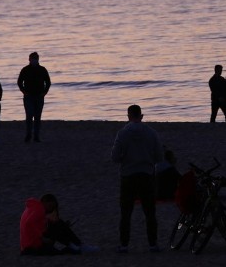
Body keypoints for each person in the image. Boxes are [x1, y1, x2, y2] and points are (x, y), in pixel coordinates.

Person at [110, 104, 164, 253]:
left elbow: (114, 157)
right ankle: (152, 244)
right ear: (141, 116)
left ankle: (124, 245)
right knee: (150, 212)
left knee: (126, 212)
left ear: (128, 116)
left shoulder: (122, 133)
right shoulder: (151, 133)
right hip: (146, 174)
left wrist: (126, 158)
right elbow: (160, 156)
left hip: (128, 175)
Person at [19, 193, 97, 255]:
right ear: (44, 202)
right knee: (58, 224)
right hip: (33, 246)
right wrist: (42, 237)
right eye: (50, 206)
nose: (50, 209)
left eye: (52, 207)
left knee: (58, 224)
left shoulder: (34, 207)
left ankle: (75, 245)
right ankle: (78, 246)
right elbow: (28, 223)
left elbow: (36, 224)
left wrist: (63, 227)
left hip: (28, 245)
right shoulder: (39, 209)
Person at [17, 52, 51, 143]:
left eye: (35, 58)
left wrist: (45, 92)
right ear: (29, 59)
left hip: (39, 96)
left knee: (37, 116)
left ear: (38, 59)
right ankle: (28, 135)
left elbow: (48, 82)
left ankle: (36, 136)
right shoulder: (25, 69)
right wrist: (23, 91)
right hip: (28, 96)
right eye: (32, 58)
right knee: (29, 115)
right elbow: (20, 82)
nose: (33, 60)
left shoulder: (42, 69)